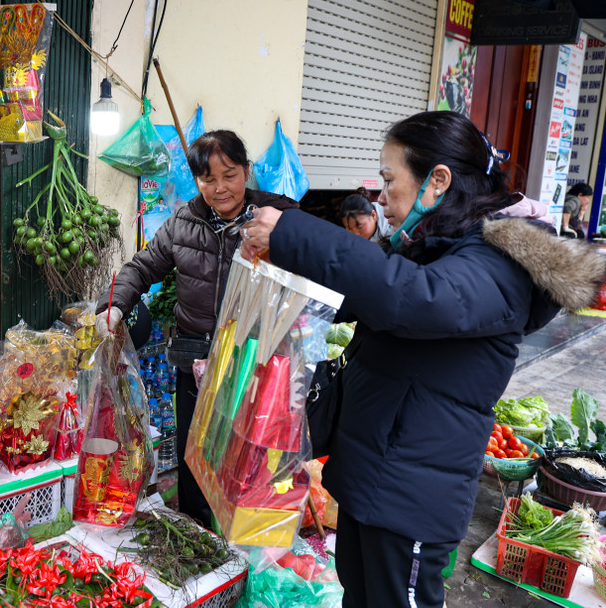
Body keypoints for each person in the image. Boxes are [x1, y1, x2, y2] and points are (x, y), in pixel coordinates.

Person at [239, 111, 606, 608]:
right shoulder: (435, 248)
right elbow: (375, 298)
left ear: (438, 181)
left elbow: (409, 298)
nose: (381, 196)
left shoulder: (495, 265)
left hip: (412, 495)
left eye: (390, 180)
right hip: (377, 475)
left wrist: (293, 234)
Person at [96, 129, 298, 527]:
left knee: (245, 454)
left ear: (247, 171)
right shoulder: (182, 223)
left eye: (230, 174)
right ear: (196, 180)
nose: (220, 188)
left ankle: (242, 540)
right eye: (208, 179)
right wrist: (115, 307)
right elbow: (140, 268)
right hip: (194, 361)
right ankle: (195, 532)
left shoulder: (278, 220)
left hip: (250, 363)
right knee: (195, 450)